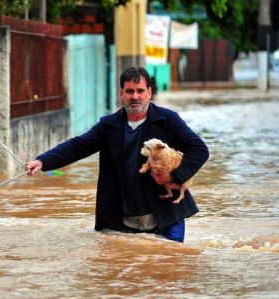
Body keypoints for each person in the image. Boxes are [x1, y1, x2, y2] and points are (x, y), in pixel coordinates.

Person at [25, 66, 209, 242]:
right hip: (123, 217)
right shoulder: (109, 125)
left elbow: (200, 150)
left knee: (168, 265)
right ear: (121, 93)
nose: (135, 96)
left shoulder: (167, 120)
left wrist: (174, 176)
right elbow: (79, 145)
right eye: (129, 91)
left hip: (167, 214)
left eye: (140, 91)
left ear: (149, 93)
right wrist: (43, 161)